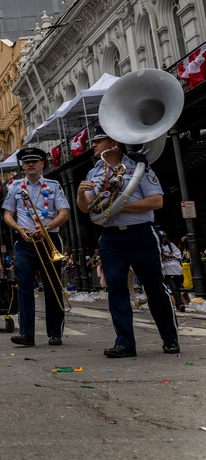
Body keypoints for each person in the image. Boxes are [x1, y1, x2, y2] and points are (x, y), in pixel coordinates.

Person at [77, 125, 179, 358]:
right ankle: (124, 343)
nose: (93, 145)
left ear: (114, 143)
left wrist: (118, 207)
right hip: (111, 237)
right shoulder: (94, 172)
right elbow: (87, 209)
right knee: (116, 289)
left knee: (154, 287)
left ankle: (170, 338)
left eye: (99, 140)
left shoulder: (138, 167)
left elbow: (156, 201)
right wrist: (81, 194)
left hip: (140, 233)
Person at [1, 147, 71, 347]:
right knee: (24, 287)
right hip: (25, 242)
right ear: (22, 165)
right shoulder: (15, 186)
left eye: (35, 161)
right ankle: (26, 333)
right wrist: (18, 228)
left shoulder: (54, 185)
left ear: (42, 164)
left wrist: (46, 228)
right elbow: (7, 215)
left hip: (49, 241)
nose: (31, 165)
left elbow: (64, 213)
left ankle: (55, 333)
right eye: (27, 162)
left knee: (53, 287)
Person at [158, 229, 187, 313]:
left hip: (175, 269)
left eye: (163, 237)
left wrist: (167, 255)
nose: (162, 239)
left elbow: (178, 254)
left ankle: (179, 303)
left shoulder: (171, 245)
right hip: (166, 270)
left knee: (177, 287)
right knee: (173, 287)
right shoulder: (157, 246)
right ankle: (179, 304)